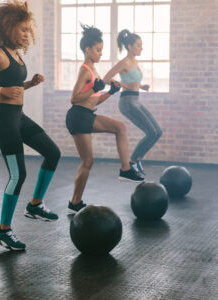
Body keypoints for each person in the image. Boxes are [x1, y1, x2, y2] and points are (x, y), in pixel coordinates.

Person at [0, 1, 60, 251]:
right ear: (8, 28)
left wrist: (30, 83)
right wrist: (0, 89)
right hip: (3, 119)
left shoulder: (17, 54)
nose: (26, 34)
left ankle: (35, 205)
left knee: (53, 153)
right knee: (18, 175)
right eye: (22, 29)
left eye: (27, 30)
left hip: (17, 116)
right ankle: (3, 230)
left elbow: (15, 88)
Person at [66, 25, 144, 214]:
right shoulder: (85, 70)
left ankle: (125, 169)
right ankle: (75, 202)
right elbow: (74, 98)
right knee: (87, 162)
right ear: (88, 50)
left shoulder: (94, 70)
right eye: (98, 50)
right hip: (78, 116)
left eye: (101, 50)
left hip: (87, 115)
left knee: (120, 127)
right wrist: (94, 88)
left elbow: (95, 100)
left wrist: (111, 92)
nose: (101, 54)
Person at [104, 30, 162, 176]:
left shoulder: (135, 62)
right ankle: (132, 161)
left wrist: (141, 86)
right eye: (138, 45)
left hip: (136, 100)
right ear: (130, 46)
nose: (141, 48)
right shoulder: (124, 62)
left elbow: (132, 81)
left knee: (157, 132)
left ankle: (137, 159)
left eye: (141, 45)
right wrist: (125, 85)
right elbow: (106, 78)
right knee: (151, 132)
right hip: (127, 102)